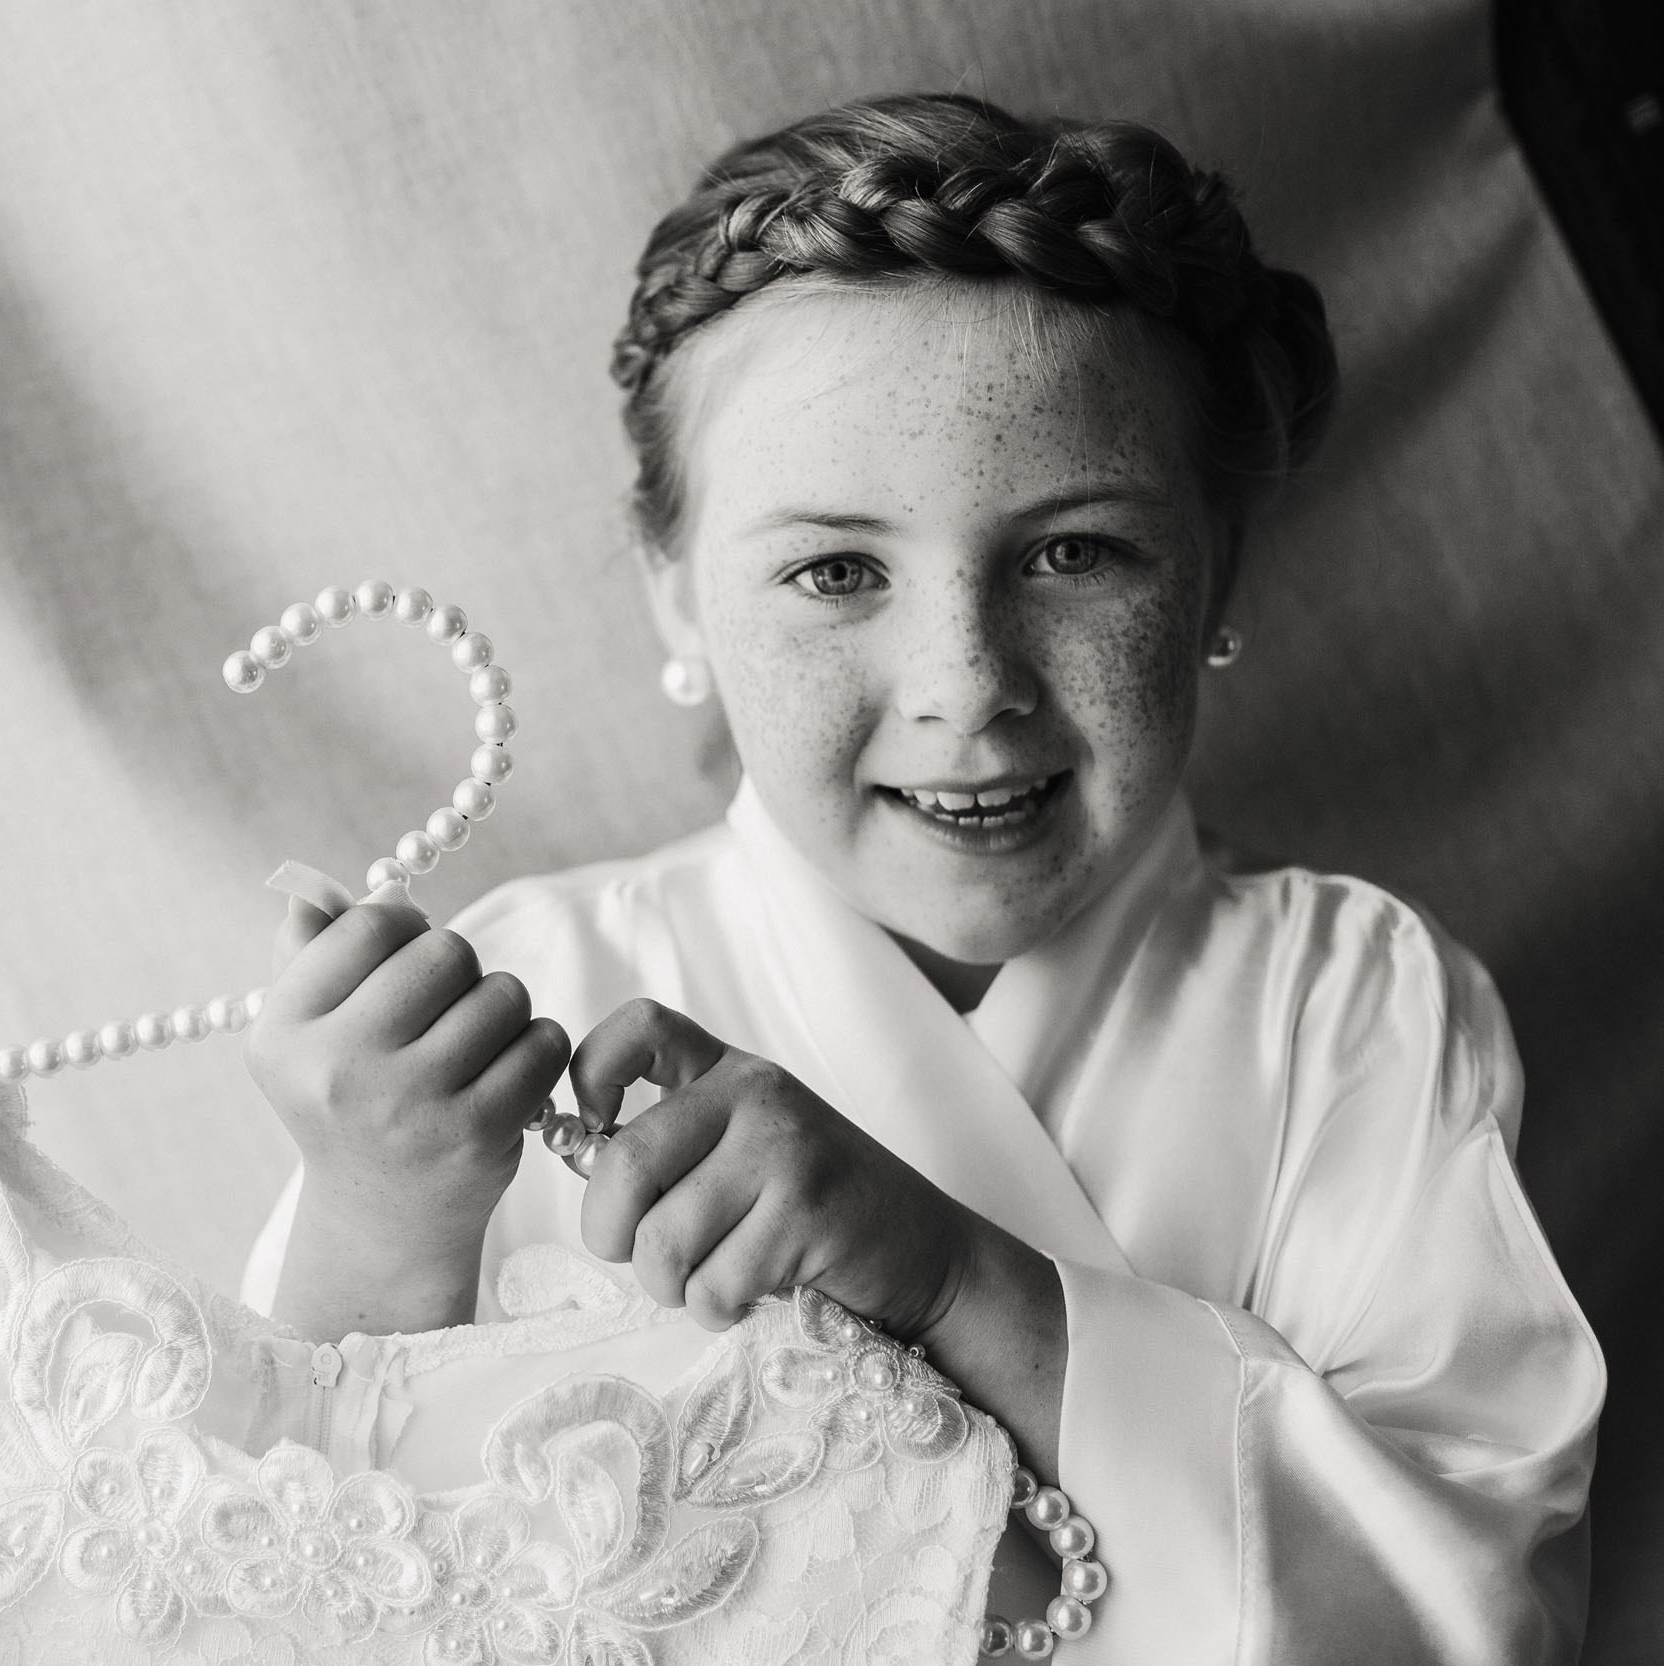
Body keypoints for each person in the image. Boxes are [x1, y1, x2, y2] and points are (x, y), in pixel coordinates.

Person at [238, 94, 1602, 1661]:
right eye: (835, 570)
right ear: (676, 592)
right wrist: (376, 1217)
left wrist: (953, 1276)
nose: (967, 686)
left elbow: (1474, 1615)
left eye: (1073, 552)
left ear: (1218, 564)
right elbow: (269, 1582)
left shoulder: (1349, 1003)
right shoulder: (525, 1000)